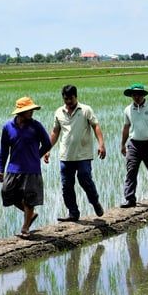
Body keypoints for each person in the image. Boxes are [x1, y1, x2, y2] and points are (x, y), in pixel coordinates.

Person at [47, 85, 106, 222]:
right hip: (66, 156)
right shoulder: (59, 112)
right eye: (66, 99)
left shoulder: (85, 110)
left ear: (76, 96)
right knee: (66, 185)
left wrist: (101, 144)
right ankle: (73, 212)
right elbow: (55, 132)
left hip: (83, 155)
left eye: (71, 98)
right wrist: (47, 149)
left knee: (85, 179)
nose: (68, 102)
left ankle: (95, 202)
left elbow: (95, 126)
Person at [0, 96, 52, 238]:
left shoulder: (36, 126)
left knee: (29, 198)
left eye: (32, 110)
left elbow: (47, 143)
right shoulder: (8, 127)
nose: (32, 112)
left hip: (31, 169)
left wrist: (36, 156)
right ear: (20, 112)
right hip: (13, 168)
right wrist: (0, 170)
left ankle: (25, 228)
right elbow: (3, 150)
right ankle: (30, 214)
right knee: (7, 193)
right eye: (29, 110)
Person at [120, 83, 148, 208]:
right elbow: (126, 127)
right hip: (133, 144)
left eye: (139, 94)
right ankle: (130, 199)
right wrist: (122, 144)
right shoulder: (128, 110)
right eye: (134, 94)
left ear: (143, 95)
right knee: (131, 171)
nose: (136, 97)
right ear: (131, 96)